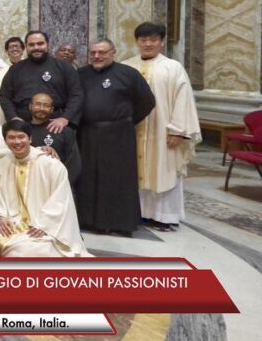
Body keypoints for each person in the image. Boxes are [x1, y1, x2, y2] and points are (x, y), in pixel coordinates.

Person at [122, 22, 200, 231]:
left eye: (153, 40)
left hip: (163, 132)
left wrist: (178, 131)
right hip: (133, 131)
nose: (148, 44)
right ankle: (139, 212)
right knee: (133, 170)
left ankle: (165, 216)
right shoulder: (127, 66)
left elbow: (183, 100)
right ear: (137, 41)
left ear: (162, 42)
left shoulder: (173, 68)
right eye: (143, 40)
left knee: (164, 169)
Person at [77, 39, 155, 236]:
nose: (97, 56)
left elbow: (146, 102)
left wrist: (124, 121)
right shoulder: (81, 74)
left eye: (102, 52)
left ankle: (119, 223)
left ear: (113, 52)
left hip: (119, 135)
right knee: (89, 178)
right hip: (87, 134)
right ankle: (89, 220)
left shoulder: (128, 74)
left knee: (118, 179)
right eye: (93, 53)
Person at [0, 119, 89, 257]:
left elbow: (61, 200)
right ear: (5, 141)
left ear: (30, 139)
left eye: (21, 137)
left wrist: (44, 224)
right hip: (11, 222)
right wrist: (1, 216)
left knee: (26, 250)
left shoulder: (51, 165)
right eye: (11, 138)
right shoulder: (1, 165)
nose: (17, 142)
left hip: (44, 225)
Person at [0, 30, 84, 133]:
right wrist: (13, 117)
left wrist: (65, 118)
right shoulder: (15, 69)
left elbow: (76, 95)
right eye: (31, 45)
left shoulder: (64, 67)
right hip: (23, 125)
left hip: (55, 125)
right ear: (26, 47)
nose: (36, 47)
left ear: (47, 44)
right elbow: (4, 96)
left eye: (40, 44)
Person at [27, 93, 81, 187]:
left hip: (57, 184)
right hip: (28, 184)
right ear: (30, 106)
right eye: (38, 104)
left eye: (46, 106)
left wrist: (63, 185)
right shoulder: (22, 131)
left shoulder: (64, 131)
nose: (41, 108)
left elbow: (74, 163)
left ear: (52, 109)